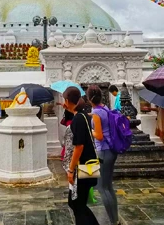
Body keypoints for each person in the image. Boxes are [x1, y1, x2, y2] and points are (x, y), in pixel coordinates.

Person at [63, 86, 100, 225]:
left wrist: (71, 170)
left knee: (76, 203)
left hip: (82, 167)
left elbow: (79, 146)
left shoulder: (78, 119)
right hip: (89, 165)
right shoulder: (83, 115)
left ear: (67, 100)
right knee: (77, 203)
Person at [88, 85, 119, 225]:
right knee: (109, 187)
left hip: (104, 151)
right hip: (110, 150)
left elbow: (99, 135)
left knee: (102, 188)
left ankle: (113, 221)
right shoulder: (104, 108)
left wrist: (90, 130)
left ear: (89, 99)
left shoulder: (96, 113)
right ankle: (115, 219)